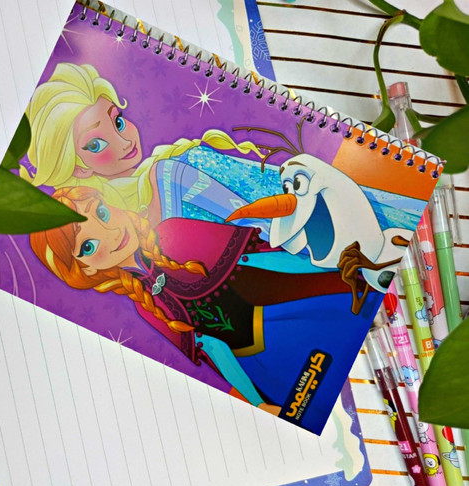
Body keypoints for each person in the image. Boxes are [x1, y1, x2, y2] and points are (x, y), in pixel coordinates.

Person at [29, 186, 382, 422]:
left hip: (297, 317)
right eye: (88, 246)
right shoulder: (143, 305)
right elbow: (212, 349)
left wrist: (332, 272)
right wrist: (258, 403)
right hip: (265, 367)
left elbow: (261, 259)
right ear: (85, 269)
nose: (111, 233)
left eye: (102, 213)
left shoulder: (175, 232)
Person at [22, 63, 265, 223]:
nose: (124, 142)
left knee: (190, 157)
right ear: (78, 168)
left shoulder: (153, 172)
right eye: (96, 145)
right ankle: (270, 224)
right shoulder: (97, 209)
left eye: (118, 122)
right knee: (171, 169)